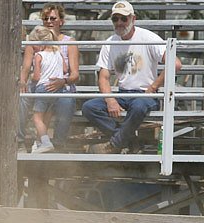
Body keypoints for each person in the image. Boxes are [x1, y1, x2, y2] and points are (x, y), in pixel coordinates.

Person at [82, 1, 182, 154]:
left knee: (139, 106)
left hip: (145, 95)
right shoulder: (110, 42)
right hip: (123, 94)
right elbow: (103, 76)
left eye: (124, 19)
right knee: (89, 107)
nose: (119, 23)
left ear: (133, 19)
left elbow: (175, 64)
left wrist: (153, 87)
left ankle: (116, 144)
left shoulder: (148, 37)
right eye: (115, 19)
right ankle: (129, 140)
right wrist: (110, 100)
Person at [18, 3, 79, 153]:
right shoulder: (34, 42)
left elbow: (75, 74)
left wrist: (62, 81)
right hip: (40, 83)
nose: (49, 21)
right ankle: (18, 141)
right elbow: (26, 67)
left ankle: (58, 143)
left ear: (61, 21)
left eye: (53, 18)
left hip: (61, 84)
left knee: (67, 101)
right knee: (21, 98)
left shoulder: (69, 43)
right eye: (46, 18)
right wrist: (22, 81)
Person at [28, 26, 67, 154]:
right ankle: (40, 142)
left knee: (37, 118)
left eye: (34, 44)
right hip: (56, 90)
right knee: (46, 117)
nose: (33, 48)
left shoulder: (39, 55)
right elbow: (65, 70)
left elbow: (37, 76)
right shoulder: (59, 53)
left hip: (43, 88)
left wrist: (31, 79)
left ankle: (45, 142)